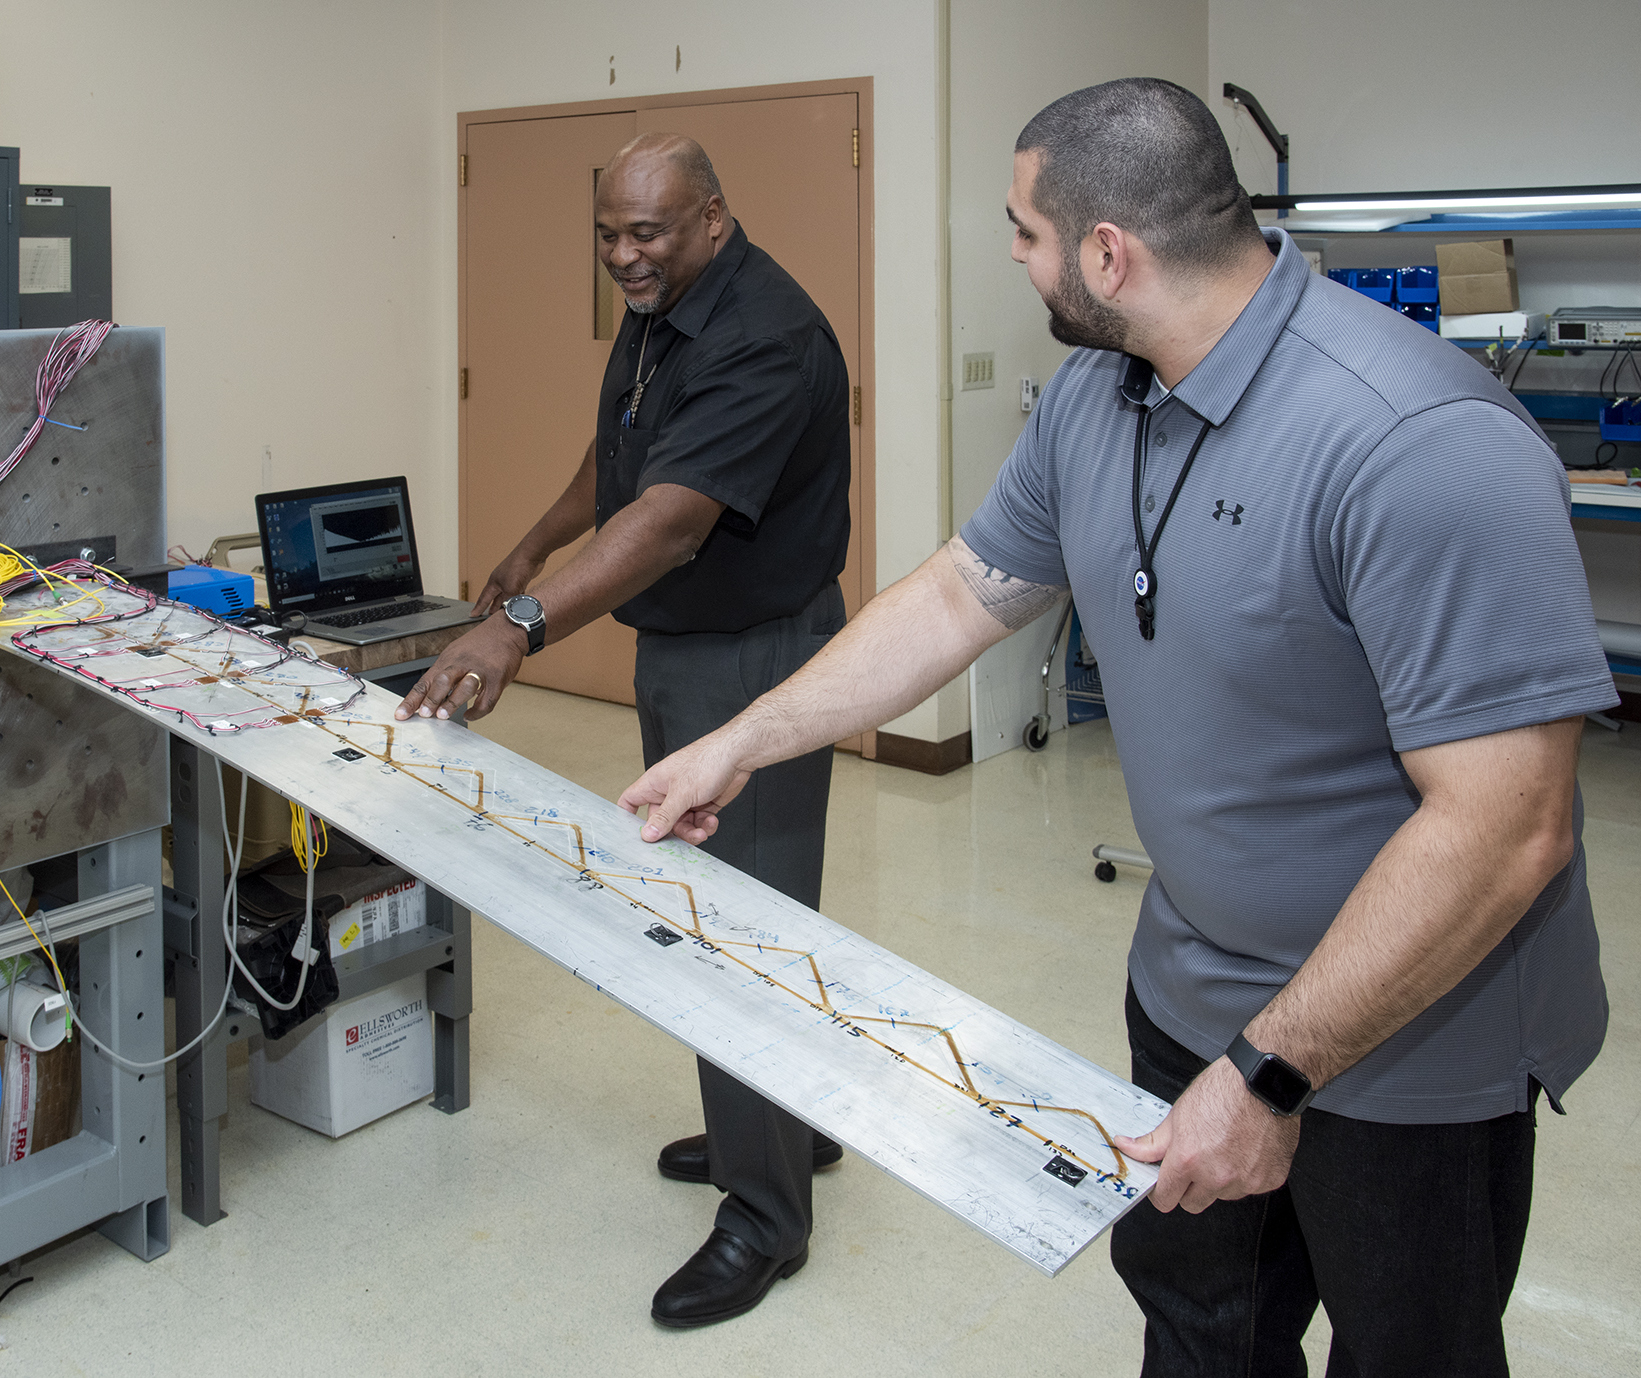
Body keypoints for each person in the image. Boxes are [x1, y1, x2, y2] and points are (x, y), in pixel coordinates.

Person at [617, 79, 1616, 1375]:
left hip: (1409, 1041)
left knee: (1406, 1347)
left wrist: (1266, 1077)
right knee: (1202, 1332)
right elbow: (961, 595)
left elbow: (1507, 824)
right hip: (1192, 989)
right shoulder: (1099, 398)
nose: (1016, 255)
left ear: (1108, 254)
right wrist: (744, 737)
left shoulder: (1419, 443)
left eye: (1024, 232)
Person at [394, 132, 854, 1327]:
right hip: (688, 648)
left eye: (646, 231)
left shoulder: (762, 334)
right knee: (716, 911)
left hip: (753, 660)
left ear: (711, 215)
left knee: (732, 930)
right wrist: (539, 541)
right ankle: (780, 1131)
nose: (622, 256)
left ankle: (765, 1218)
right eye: (605, 233)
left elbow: (666, 519)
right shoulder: (668, 312)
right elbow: (623, 460)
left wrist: (519, 628)